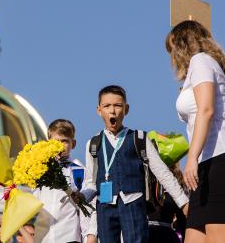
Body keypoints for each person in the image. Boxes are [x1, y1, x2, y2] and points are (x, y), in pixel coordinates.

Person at [165, 20, 225, 243]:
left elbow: (206, 110)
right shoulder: (199, 69)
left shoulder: (201, 61)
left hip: (223, 159)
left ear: (182, 44)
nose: (171, 57)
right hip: (205, 164)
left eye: (172, 49)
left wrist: (191, 157)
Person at [81, 85, 189, 243]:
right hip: (105, 208)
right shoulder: (93, 143)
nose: (112, 111)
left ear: (126, 109)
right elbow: (91, 183)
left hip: (133, 204)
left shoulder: (139, 139)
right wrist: (82, 196)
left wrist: (183, 202)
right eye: (107, 106)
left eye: (118, 105)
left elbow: (162, 173)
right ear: (99, 110)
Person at [32, 119, 83, 243]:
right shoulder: (39, 171)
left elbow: (86, 208)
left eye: (64, 141)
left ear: (73, 143)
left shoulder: (79, 171)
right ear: (48, 143)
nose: (59, 146)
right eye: (55, 142)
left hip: (68, 237)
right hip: (43, 237)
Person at [148, 163, 188, 243]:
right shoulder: (143, 185)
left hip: (167, 236)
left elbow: (183, 222)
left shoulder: (175, 191)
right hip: (145, 234)